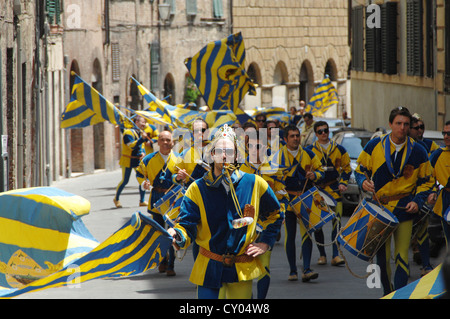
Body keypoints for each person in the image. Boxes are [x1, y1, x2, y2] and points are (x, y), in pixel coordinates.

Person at [168, 124, 283, 299]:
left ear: (236, 155)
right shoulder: (197, 188)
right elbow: (186, 223)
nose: (224, 155)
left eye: (229, 151)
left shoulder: (255, 183)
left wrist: (265, 242)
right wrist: (177, 234)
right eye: (219, 150)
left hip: (242, 266)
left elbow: (275, 215)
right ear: (212, 154)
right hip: (209, 265)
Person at [355, 106, 434, 296]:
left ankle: (398, 295)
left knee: (401, 257)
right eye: (398, 123)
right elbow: (359, 170)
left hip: (404, 209)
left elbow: (427, 182)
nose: (402, 128)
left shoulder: (419, 151)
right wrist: (363, 182)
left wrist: (417, 200)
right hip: (380, 209)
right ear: (390, 124)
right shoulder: (374, 147)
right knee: (382, 260)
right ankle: (387, 292)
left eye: (406, 124)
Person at [270, 124, 324, 282]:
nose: (295, 138)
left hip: (306, 199)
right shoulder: (277, 156)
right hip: (287, 201)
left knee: (307, 233)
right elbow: (271, 181)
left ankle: (306, 269)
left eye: (297, 135)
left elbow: (321, 171)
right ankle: (293, 270)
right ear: (285, 139)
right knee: (290, 236)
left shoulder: (308, 154)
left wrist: (315, 175)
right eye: (292, 136)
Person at [240, 130, 287, 299]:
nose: (255, 149)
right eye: (251, 146)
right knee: (243, 267)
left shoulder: (274, 168)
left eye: (259, 146)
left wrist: (281, 211)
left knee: (264, 265)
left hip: (266, 225)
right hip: (244, 227)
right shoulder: (238, 169)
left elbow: (283, 195)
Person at [306, 120, 352, 266]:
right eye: (320, 131)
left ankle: (335, 255)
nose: (323, 134)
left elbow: (347, 169)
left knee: (337, 223)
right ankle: (322, 255)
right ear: (316, 134)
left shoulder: (340, 149)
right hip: (317, 191)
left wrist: (344, 183)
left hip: (334, 190)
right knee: (318, 224)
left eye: (325, 130)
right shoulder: (310, 150)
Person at [136, 129, 178, 276]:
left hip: (173, 200)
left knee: (172, 233)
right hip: (156, 199)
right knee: (159, 232)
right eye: (162, 139)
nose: (165, 142)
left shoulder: (179, 159)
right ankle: (162, 261)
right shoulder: (148, 159)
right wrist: (143, 184)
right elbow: (140, 174)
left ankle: (171, 264)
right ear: (158, 142)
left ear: (173, 142)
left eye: (168, 140)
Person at [408, 113, 436, 276]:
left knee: (422, 231)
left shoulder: (429, 146)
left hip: (421, 193)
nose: (420, 131)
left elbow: (433, 171)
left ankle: (426, 265)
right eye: (416, 128)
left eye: (421, 127)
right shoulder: (406, 147)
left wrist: (431, 191)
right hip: (405, 196)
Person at [114, 116, 148, 208]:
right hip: (128, 160)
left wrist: (143, 153)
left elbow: (142, 147)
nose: (144, 124)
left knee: (142, 179)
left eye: (145, 122)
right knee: (125, 181)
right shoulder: (128, 133)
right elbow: (131, 146)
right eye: (142, 122)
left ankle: (142, 200)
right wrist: (142, 139)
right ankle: (116, 199)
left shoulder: (140, 133)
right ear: (136, 122)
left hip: (138, 161)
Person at [428, 120, 450, 248]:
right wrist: (432, 191)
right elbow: (427, 177)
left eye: (449, 133)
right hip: (446, 199)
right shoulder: (437, 155)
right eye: (444, 133)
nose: (446, 136)